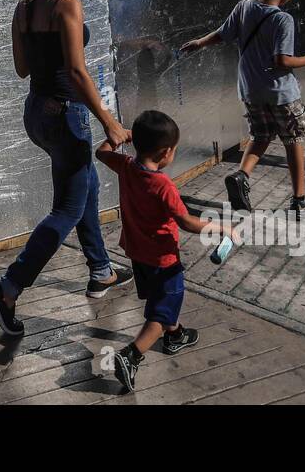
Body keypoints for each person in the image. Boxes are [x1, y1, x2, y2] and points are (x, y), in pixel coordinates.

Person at [0, 0, 133, 337]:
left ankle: (101, 270)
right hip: (67, 116)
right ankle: (8, 288)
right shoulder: (67, 4)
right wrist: (109, 120)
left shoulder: (23, 9)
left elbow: (21, 69)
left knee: (83, 189)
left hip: (36, 113)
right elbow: (78, 72)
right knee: (66, 207)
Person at [95, 110, 235, 392]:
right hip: (164, 260)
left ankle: (177, 335)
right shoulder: (163, 186)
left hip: (137, 253)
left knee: (162, 302)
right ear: (166, 153)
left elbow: (101, 151)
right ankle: (131, 355)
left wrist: (124, 136)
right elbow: (187, 222)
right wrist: (222, 228)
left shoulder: (126, 166)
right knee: (161, 312)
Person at [180, 0, 305, 216]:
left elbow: (223, 33)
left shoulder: (244, 7)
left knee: (261, 135)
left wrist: (199, 43)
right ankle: (299, 201)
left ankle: (241, 176)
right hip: (280, 92)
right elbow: (282, 60)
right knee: (294, 139)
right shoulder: (283, 19)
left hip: (251, 91)